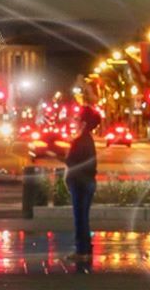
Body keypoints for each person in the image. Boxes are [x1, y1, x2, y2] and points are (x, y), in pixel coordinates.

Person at [64, 105, 101, 261]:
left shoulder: (81, 140)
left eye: (78, 119)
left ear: (84, 123)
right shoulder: (87, 139)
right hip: (86, 182)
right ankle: (85, 249)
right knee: (83, 217)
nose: (75, 121)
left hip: (81, 183)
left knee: (80, 218)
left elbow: (72, 162)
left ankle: (82, 251)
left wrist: (56, 154)